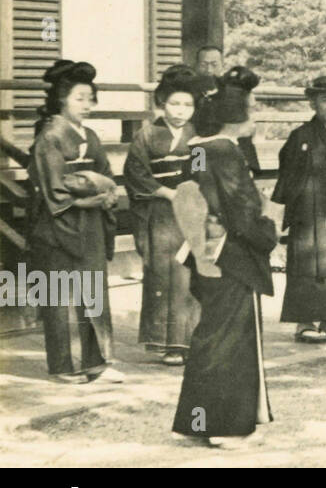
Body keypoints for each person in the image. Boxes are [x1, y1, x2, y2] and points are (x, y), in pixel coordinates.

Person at [172, 66, 278, 446]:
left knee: (212, 334)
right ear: (236, 114)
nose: (255, 112)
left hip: (206, 251)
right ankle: (225, 427)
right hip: (232, 254)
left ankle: (199, 420)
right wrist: (268, 231)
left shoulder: (198, 149)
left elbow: (196, 194)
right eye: (252, 106)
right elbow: (242, 212)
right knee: (232, 338)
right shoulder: (225, 152)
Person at [27, 60, 123, 384]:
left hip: (91, 222)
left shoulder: (90, 135)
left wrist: (103, 190)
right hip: (58, 223)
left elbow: (106, 174)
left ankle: (97, 362)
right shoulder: (50, 136)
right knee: (59, 296)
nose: (87, 105)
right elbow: (53, 188)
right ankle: (63, 366)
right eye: (79, 98)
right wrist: (89, 192)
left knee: (93, 290)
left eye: (90, 98)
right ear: (61, 99)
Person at [124, 64, 201, 366]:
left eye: (187, 104)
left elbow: (202, 171)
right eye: (174, 103)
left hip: (191, 210)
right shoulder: (146, 135)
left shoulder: (197, 136)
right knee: (164, 275)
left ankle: (192, 340)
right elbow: (136, 174)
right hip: (160, 211)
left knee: (190, 274)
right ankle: (168, 344)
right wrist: (168, 193)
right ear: (162, 103)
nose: (180, 111)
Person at [272, 76, 326, 343]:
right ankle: (304, 322)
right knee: (307, 263)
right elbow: (287, 173)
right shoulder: (300, 136)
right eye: (325, 100)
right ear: (313, 103)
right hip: (308, 209)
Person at [193, 46, 262, 176]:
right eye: (204, 65)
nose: (209, 70)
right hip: (200, 144)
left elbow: (248, 119)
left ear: (222, 65)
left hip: (233, 144)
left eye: (214, 64)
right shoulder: (189, 89)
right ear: (196, 65)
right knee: (199, 175)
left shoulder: (234, 87)